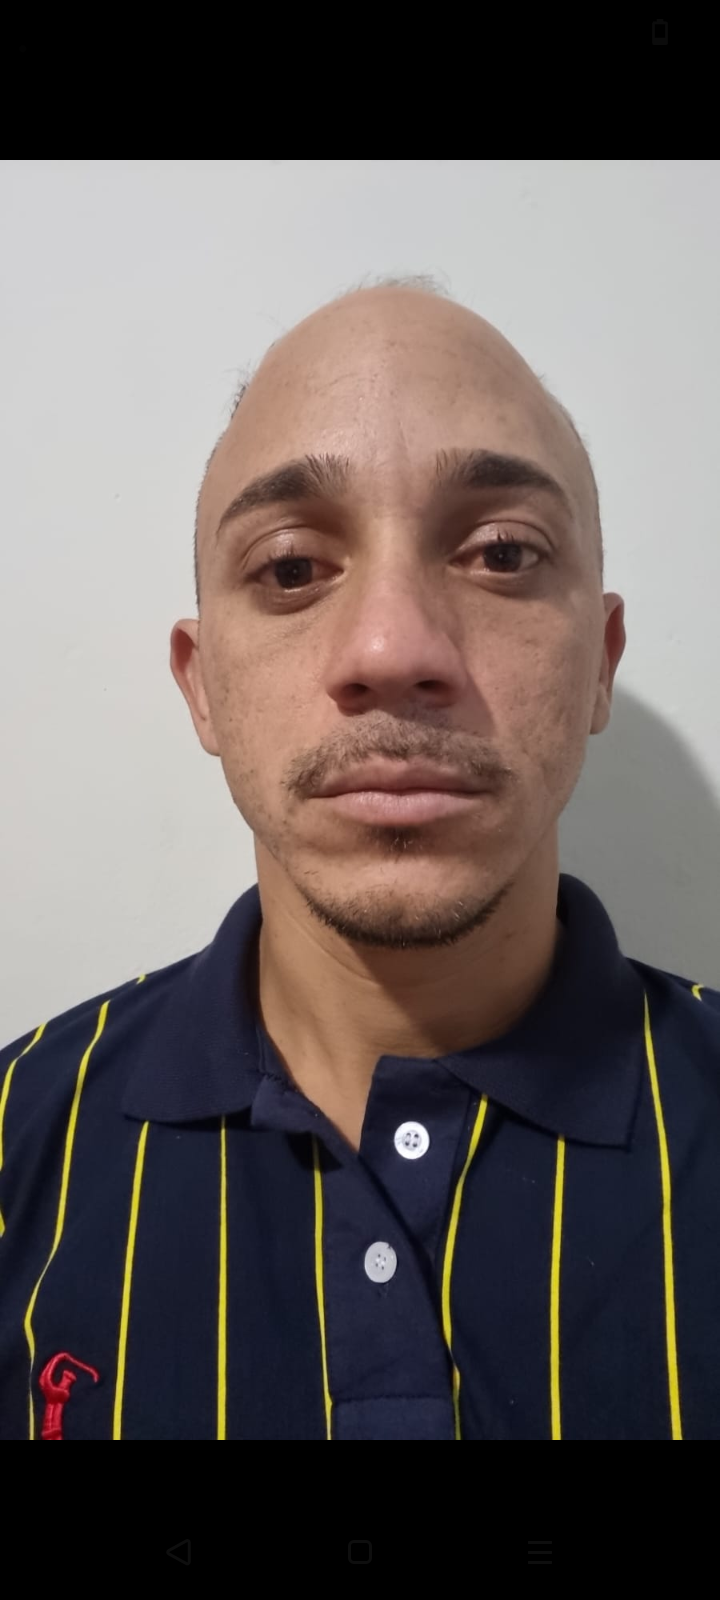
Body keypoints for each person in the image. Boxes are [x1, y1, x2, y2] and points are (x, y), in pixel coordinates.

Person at [1, 278, 719, 1442]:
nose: (391, 648)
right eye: (291, 568)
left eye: (501, 551)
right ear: (201, 684)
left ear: (600, 659)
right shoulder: (15, 1134)